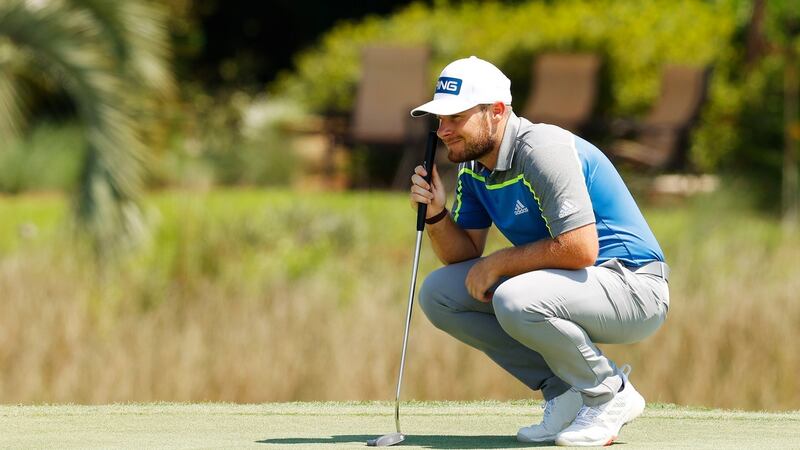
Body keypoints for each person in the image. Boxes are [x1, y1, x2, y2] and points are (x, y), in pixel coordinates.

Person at [408, 56, 669, 447]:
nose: (443, 131)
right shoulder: (475, 167)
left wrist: (498, 263)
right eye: (439, 120)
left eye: (455, 118)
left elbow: (580, 248)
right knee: (439, 293)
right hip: (573, 288)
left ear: (496, 111)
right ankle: (564, 393)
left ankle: (609, 393)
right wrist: (436, 215)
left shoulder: (542, 149)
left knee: (516, 297)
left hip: (634, 286)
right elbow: (463, 256)